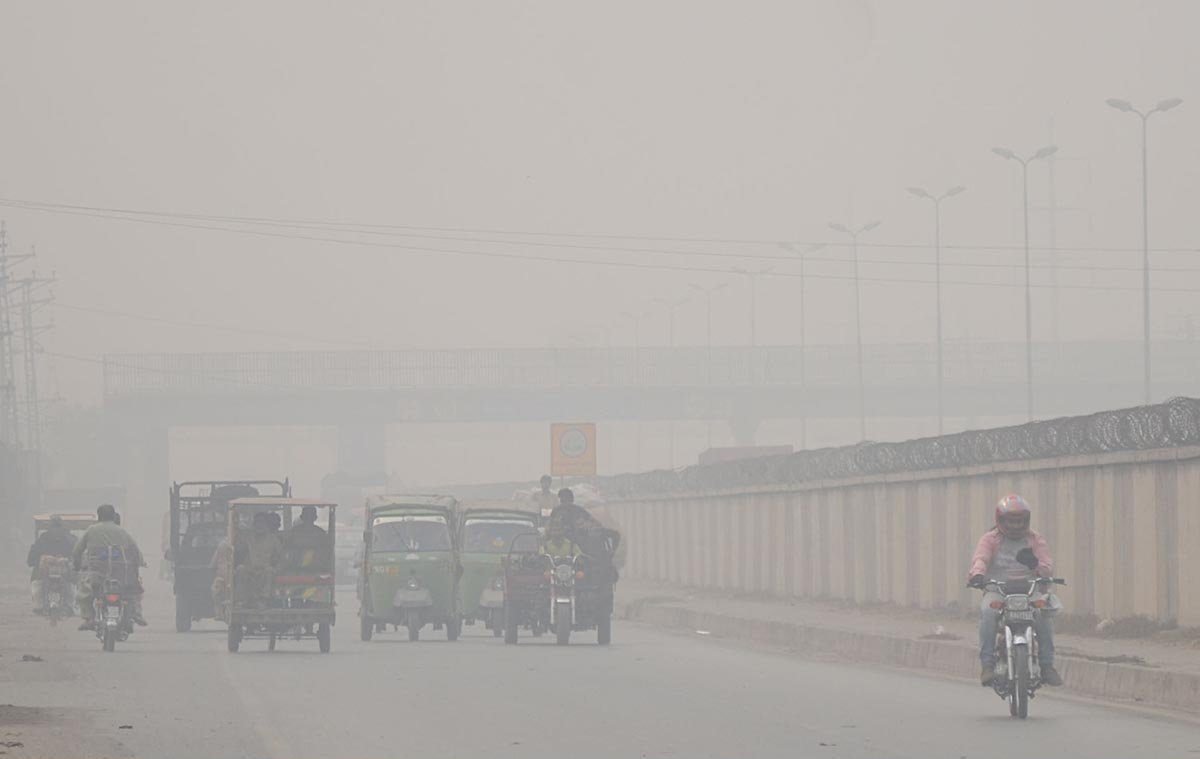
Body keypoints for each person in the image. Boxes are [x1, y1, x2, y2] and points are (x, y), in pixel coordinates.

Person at [968, 494, 1062, 687]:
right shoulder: (990, 539)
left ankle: (1047, 665)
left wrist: (1037, 566)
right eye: (1011, 522)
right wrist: (977, 575)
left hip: (1029, 590)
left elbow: (1046, 565)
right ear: (1000, 520)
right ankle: (987, 665)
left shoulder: (1035, 539)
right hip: (998, 589)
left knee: (1043, 615)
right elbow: (981, 559)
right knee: (988, 613)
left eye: (1020, 522)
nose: (1016, 526)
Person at [72, 504, 146, 629]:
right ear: (113, 516)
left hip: (97, 573)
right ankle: (135, 614)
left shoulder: (91, 530)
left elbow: (77, 551)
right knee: (132, 591)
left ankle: (89, 618)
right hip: (121, 573)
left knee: (83, 593)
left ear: (99, 516)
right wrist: (140, 563)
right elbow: (135, 551)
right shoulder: (122, 531)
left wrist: (77, 565)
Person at [27, 516, 78, 612]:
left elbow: (31, 558)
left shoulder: (69, 539)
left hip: (65, 574)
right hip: (46, 574)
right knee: (38, 584)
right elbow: (32, 557)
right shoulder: (70, 539)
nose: (56, 530)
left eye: (57, 527)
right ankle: (69, 606)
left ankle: (69, 606)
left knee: (71, 585)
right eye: (55, 527)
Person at [233, 511, 283, 605]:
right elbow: (238, 549)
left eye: (262, 523)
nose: (259, 525)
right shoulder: (248, 538)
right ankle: (240, 600)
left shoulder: (274, 539)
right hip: (250, 570)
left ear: (267, 524)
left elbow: (281, 558)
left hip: (265, 571)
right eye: (257, 522)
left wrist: (276, 568)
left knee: (269, 571)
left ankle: (263, 600)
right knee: (240, 569)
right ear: (254, 524)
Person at [284, 505, 328, 570]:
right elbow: (287, 549)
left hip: (316, 568)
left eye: (310, 517)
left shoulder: (321, 533)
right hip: (294, 568)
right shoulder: (294, 532)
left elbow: (325, 551)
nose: (308, 519)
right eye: (307, 516)